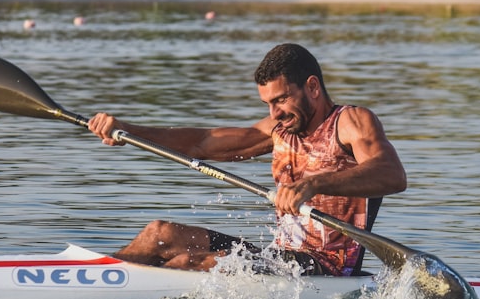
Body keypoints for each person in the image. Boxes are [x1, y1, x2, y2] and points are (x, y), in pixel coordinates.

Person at [87, 43, 407, 276]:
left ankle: (124, 298)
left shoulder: (350, 122)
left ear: (312, 87)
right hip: (281, 256)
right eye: (268, 103)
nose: (274, 114)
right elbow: (202, 142)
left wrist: (314, 184)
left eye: (281, 100)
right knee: (159, 234)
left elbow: (392, 174)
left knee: (187, 264)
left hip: (326, 266)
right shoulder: (280, 130)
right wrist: (128, 129)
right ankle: (98, 280)